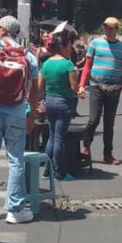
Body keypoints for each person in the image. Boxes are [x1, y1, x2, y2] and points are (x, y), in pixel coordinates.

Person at [0, 15, 40, 224]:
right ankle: (15, 210)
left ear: (2, 30)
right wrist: (33, 114)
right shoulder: (28, 55)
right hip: (18, 112)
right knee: (15, 159)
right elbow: (35, 90)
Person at [78, 16, 122, 165]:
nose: (107, 30)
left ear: (117, 29)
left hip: (115, 87)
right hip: (96, 86)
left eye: (111, 27)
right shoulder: (95, 44)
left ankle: (107, 154)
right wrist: (81, 86)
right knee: (94, 119)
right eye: (105, 27)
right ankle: (86, 146)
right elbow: (87, 66)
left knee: (109, 123)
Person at [40, 32, 80, 181]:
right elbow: (74, 88)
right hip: (64, 102)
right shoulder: (68, 64)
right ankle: (60, 172)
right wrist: (77, 82)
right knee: (58, 138)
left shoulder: (46, 63)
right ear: (62, 48)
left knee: (51, 136)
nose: (70, 50)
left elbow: (40, 87)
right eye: (69, 47)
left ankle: (46, 171)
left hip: (49, 101)